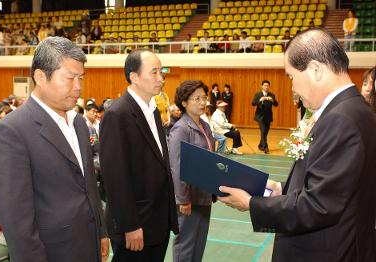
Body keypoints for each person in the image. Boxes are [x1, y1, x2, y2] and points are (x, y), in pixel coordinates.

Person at [218, 28, 376, 261]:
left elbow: (318, 205)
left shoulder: (341, 119)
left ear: (315, 70)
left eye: (291, 76)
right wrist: (283, 188)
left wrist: (251, 203)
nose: (292, 87)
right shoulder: (356, 111)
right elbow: (333, 185)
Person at [0, 37, 109, 262]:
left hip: (88, 244)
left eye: (80, 78)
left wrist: (101, 231)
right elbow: (16, 220)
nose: (78, 87)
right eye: (70, 78)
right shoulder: (12, 130)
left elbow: (89, 186)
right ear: (40, 77)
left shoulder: (79, 123)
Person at [99, 49, 178, 261]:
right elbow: (116, 177)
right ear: (134, 77)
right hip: (136, 226)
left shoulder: (152, 110)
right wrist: (130, 225)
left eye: (161, 72)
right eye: (154, 72)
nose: (161, 78)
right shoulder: (117, 115)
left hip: (157, 222)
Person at [169, 80, 215, 261]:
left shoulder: (205, 126)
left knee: (199, 245)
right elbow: (177, 166)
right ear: (184, 102)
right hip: (189, 199)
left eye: (204, 98)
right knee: (185, 247)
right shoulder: (181, 129)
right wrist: (183, 199)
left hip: (204, 196)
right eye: (197, 99)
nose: (202, 102)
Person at [252, 80, 278, 154]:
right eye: (265, 85)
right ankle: (265, 147)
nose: (266, 87)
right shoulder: (258, 94)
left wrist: (272, 100)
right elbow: (253, 103)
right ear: (262, 86)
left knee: (265, 132)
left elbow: (276, 104)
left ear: (269, 87)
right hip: (260, 116)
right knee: (263, 130)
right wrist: (260, 100)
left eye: (267, 85)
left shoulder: (272, 95)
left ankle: (260, 145)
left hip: (268, 116)